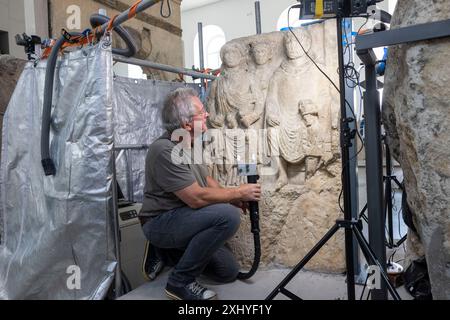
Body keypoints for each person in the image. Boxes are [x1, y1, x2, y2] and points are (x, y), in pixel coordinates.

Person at [139, 87, 262, 300]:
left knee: (227, 272)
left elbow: (206, 181)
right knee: (228, 216)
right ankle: (179, 282)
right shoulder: (164, 150)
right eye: (201, 112)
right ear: (187, 124)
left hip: (185, 217)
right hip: (161, 221)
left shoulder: (191, 144)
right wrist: (237, 192)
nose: (207, 115)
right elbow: (195, 198)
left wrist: (232, 197)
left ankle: (171, 253)